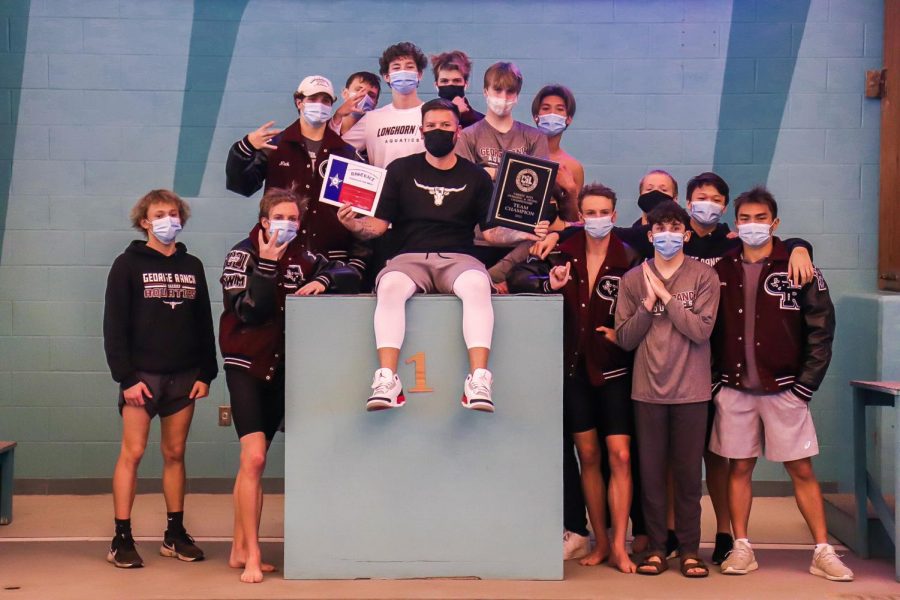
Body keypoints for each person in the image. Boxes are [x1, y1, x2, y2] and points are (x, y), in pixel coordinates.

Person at [337, 98, 548, 412]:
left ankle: (478, 381)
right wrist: (354, 224)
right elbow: (378, 227)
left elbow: (490, 233)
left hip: (459, 259)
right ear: (422, 131)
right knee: (390, 286)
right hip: (409, 258)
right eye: (432, 126)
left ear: (458, 132)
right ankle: (387, 380)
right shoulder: (400, 170)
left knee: (478, 286)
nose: (438, 131)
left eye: (445, 126)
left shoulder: (476, 177)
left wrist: (525, 233)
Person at [709, 187, 853, 581]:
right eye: (745, 219)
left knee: (802, 469)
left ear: (775, 223)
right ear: (735, 225)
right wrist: (715, 386)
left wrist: (804, 387)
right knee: (739, 467)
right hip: (734, 389)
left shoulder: (799, 267)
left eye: (760, 218)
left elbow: (822, 332)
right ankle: (741, 547)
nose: (752, 225)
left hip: (786, 388)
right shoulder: (721, 270)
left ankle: (823, 551)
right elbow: (705, 333)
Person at [221, 187, 362, 583]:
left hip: (283, 366)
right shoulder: (242, 254)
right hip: (246, 363)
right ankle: (252, 555)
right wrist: (266, 266)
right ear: (264, 221)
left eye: (293, 219)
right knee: (255, 459)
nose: (287, 225)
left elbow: (348, 274)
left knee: (255, 459)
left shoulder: (304, 255)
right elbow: (249, 310)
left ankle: (237, 548)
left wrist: (326, 282)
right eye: (279, 218)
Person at [507, 184, 641, 573]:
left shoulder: (631, 257)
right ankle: (597, 541)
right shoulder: (561, 251)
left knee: (620, 455)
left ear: (614, 216)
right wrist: (550, 282)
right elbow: (518, 279)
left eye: (604, 212)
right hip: (574, 371)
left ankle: (619, 544)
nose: (597, 218)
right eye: (590, 212)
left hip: (615, 372)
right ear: (581, 215)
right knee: (588, 456)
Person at [103, 189, 218, 568]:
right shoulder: (126, 264)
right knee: (132, 453)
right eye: (159, 214)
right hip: (142, 379)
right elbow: (114, 326)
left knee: (175, 454)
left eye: (173, 213)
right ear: (145, 222)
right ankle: (121, 538)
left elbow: (203, 321)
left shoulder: (193, 265)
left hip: (183, 378)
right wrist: (126, 378)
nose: (168, 219)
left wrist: (207, 372)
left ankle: (174, 533)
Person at [615, 201, 720, 578]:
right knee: (653, 475)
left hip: (692, 393)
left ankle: (690, 550)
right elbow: (625, 339)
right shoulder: (632, 279)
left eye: (675, 228)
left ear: (686, 234)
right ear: (650, 234)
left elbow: (700, 331)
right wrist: (648, 302)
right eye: (660, 229)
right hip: (647, 392)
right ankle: (658, 549)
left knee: (689, 476)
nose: (667, 235)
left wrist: (667, 298)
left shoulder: (703, 277)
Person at [225, 75, 366, 270]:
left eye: (325, 100)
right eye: (312, 99)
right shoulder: (275, 146)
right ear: (299, 102)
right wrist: (245, 147)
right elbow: (241, 186)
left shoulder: (347, 153)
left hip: (331, 259)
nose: (320, 105)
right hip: (282, 254)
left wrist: (356, 264)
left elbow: (359, 215)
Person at [342, 41, 428, 168]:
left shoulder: (433, 114)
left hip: (423, 187)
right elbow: (338, 150)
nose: (403, 71)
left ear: (419, 74)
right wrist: (339, 116)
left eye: (409, 67)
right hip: (383, 187)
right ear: (387, 76)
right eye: (396, 67)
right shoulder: (371, 119)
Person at [532, 84, 583, 222]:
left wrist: (570, 190)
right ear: (536, 116)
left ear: (568, 119)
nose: (552, 114)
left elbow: (576, 221)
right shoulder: (522, 154)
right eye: (546, 108)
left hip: (557, 239)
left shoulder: (573, 167)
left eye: (559, 109)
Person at [430, 49, 484, 128]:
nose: (450, 85)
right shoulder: (428, 119)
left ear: (466, 84)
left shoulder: (481, 122)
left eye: (456, 81)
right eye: (445, 81)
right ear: (436, 85)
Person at [329, 71, 381, 137]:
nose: (364, 97)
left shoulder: (376, 136)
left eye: (371, 95)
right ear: (345, 94)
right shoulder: (325, 128)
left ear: (375, 104)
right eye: (358, 90)